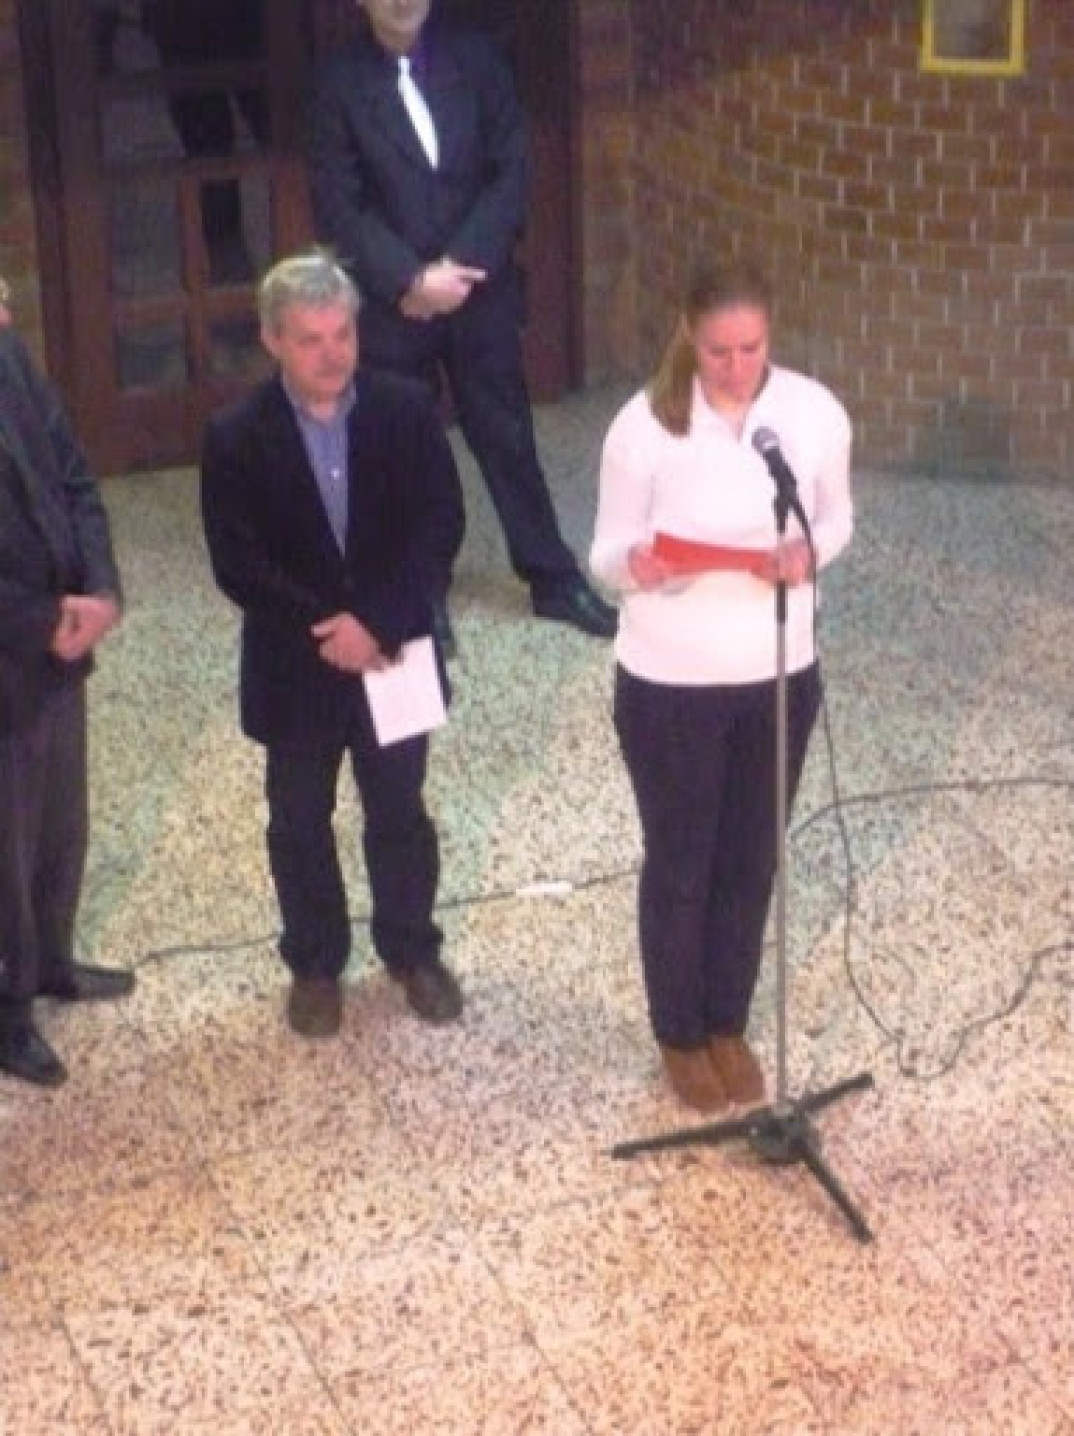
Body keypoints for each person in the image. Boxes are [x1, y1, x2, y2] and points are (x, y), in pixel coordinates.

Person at [589, 260, 853, 1113]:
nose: (737, 368)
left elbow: (837, 516)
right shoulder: (643, 428)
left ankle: (727, 1022)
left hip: (778, 672)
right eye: (718, 352)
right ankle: (679, 1032)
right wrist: (637, 565)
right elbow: (603, 553)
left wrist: (810, 552)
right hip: (671, 683)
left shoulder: (811, 414)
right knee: (684, 860)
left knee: (751, 855)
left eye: (751, 348)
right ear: (688, 339)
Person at [200, 250, 466, 1039]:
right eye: (310, 339)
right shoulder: (235, 436)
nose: (331, 354)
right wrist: (333, 630)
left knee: (400, 812)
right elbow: (238, 562)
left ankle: (412, 950)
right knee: (298, 819)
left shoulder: (406, 409)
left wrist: (376, 624)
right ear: (272, 340)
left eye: (342, 334)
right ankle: (315, 964)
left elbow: (440, 524)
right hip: (297, 662)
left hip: (394, 650)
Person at [306, 0, 616, 651]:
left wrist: (461, 267)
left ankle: (551, 576)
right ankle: (421, 590)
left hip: (477, 291)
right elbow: (340, 204)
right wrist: (410, 280)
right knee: (406, 452)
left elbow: (510, 170)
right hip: (396, 304)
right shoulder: (337, 85)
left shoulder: (477, 59)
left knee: (508, 436)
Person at [0, 307, 132, 1089]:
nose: (6, 308)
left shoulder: (10, 355)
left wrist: (100, 588)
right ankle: (8, 1009)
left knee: (58, 823)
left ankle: (51, 960)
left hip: (58, 642)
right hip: (16, 643)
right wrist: (41, 620)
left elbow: (74, 474)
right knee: (4, 847)